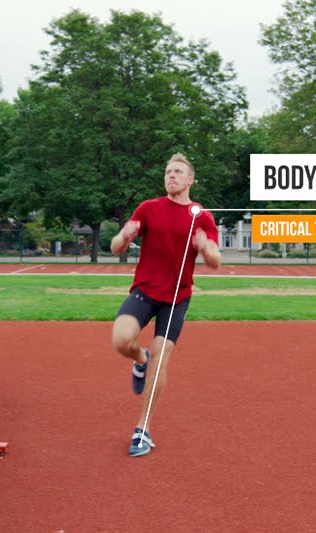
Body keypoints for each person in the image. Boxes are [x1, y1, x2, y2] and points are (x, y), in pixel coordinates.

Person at [110, 153, 221, 457]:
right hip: (145, 291)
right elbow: (115, 246)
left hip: (176, 299)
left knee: (162, 361)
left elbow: (215, 260)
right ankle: (139, 359)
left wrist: (205, 247)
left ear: (190, 180)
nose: (171, 176)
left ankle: (142, 430)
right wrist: (124, 235)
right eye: (168, 172)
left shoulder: (203, 217)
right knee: (121, 340)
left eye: (178, 172)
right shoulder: (149, 208)